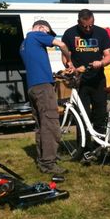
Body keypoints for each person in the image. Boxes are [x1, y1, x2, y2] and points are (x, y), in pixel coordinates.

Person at [20, 20, 72, 175]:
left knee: (41, 125)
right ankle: (49, 163)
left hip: (33, 87)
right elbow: (61, 45)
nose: (47, 37)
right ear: (42, 28)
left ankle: (43, 158)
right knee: (50, 124)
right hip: (43, 88)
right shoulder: (36, 35)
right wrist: (68, 60)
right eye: (48, 33)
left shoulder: (24, 43)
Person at [62, 9, 110, 139]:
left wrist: (101, 63)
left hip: (98, 80)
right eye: (85, 26)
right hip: (80, 82)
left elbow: (109, 56)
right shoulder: (69, 34)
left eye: (91, 25)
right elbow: (65, 56)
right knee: (82, 115)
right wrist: (70, 66)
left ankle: (100, 146)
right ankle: (85, 148)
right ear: (79, 22)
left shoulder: (101, 33)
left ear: (93, 20)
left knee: (100, 114)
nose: (88, 29)